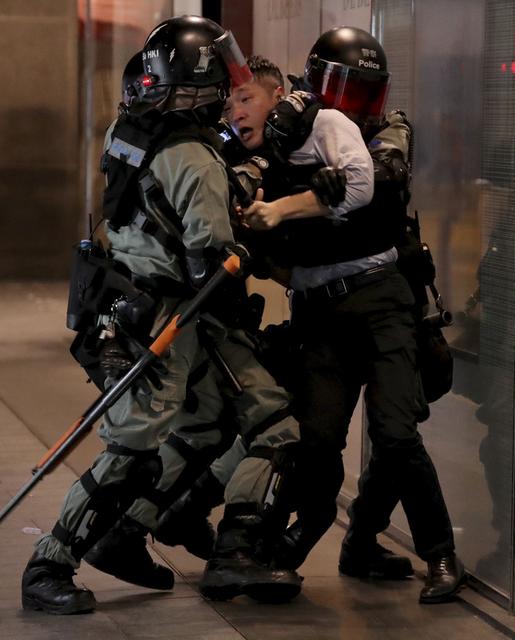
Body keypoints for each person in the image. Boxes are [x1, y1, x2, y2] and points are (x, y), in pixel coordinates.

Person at [20, 16, 300, 614]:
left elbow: (169, 182)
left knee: (200, 429)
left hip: (125, 301)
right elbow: (210, 260)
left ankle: (124, 535)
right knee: (132, 447)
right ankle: (50, 561)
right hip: (166, 320)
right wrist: (245, 244)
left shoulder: (129, 130)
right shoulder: (196, 161)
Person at [237, 27, 465, 604]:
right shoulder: (287, 130)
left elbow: (380, 182)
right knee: (316, 440)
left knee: (395, 432)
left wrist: (312, 195)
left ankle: (438, 554)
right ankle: (287, 546)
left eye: (366, 95)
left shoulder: (386, 132)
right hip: (319, 305)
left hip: (382, 296)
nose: (355, 107)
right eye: (344, 92)